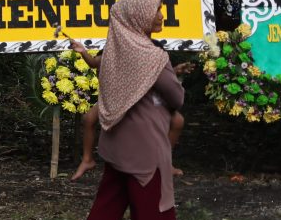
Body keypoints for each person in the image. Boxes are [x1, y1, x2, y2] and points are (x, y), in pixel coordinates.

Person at [66, 0, 192, 220]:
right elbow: (177, 97)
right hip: (146, 148)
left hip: (115, 143)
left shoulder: (113, 49)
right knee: (158, 209)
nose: (161, 15)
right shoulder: (154, 57)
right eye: (156, 11)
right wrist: (172, 77)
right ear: (138, 17)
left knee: (109, 201)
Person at [69, 42, 192, 181]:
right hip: (113, 99)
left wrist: (174, 71)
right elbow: (92, 62)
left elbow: (153, 75)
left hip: (138, 98)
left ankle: (164, 164)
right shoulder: (107, 56)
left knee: (177, 121)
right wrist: (83, 51)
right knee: (88, 118)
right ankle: (87, 159)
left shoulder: (138, 57)